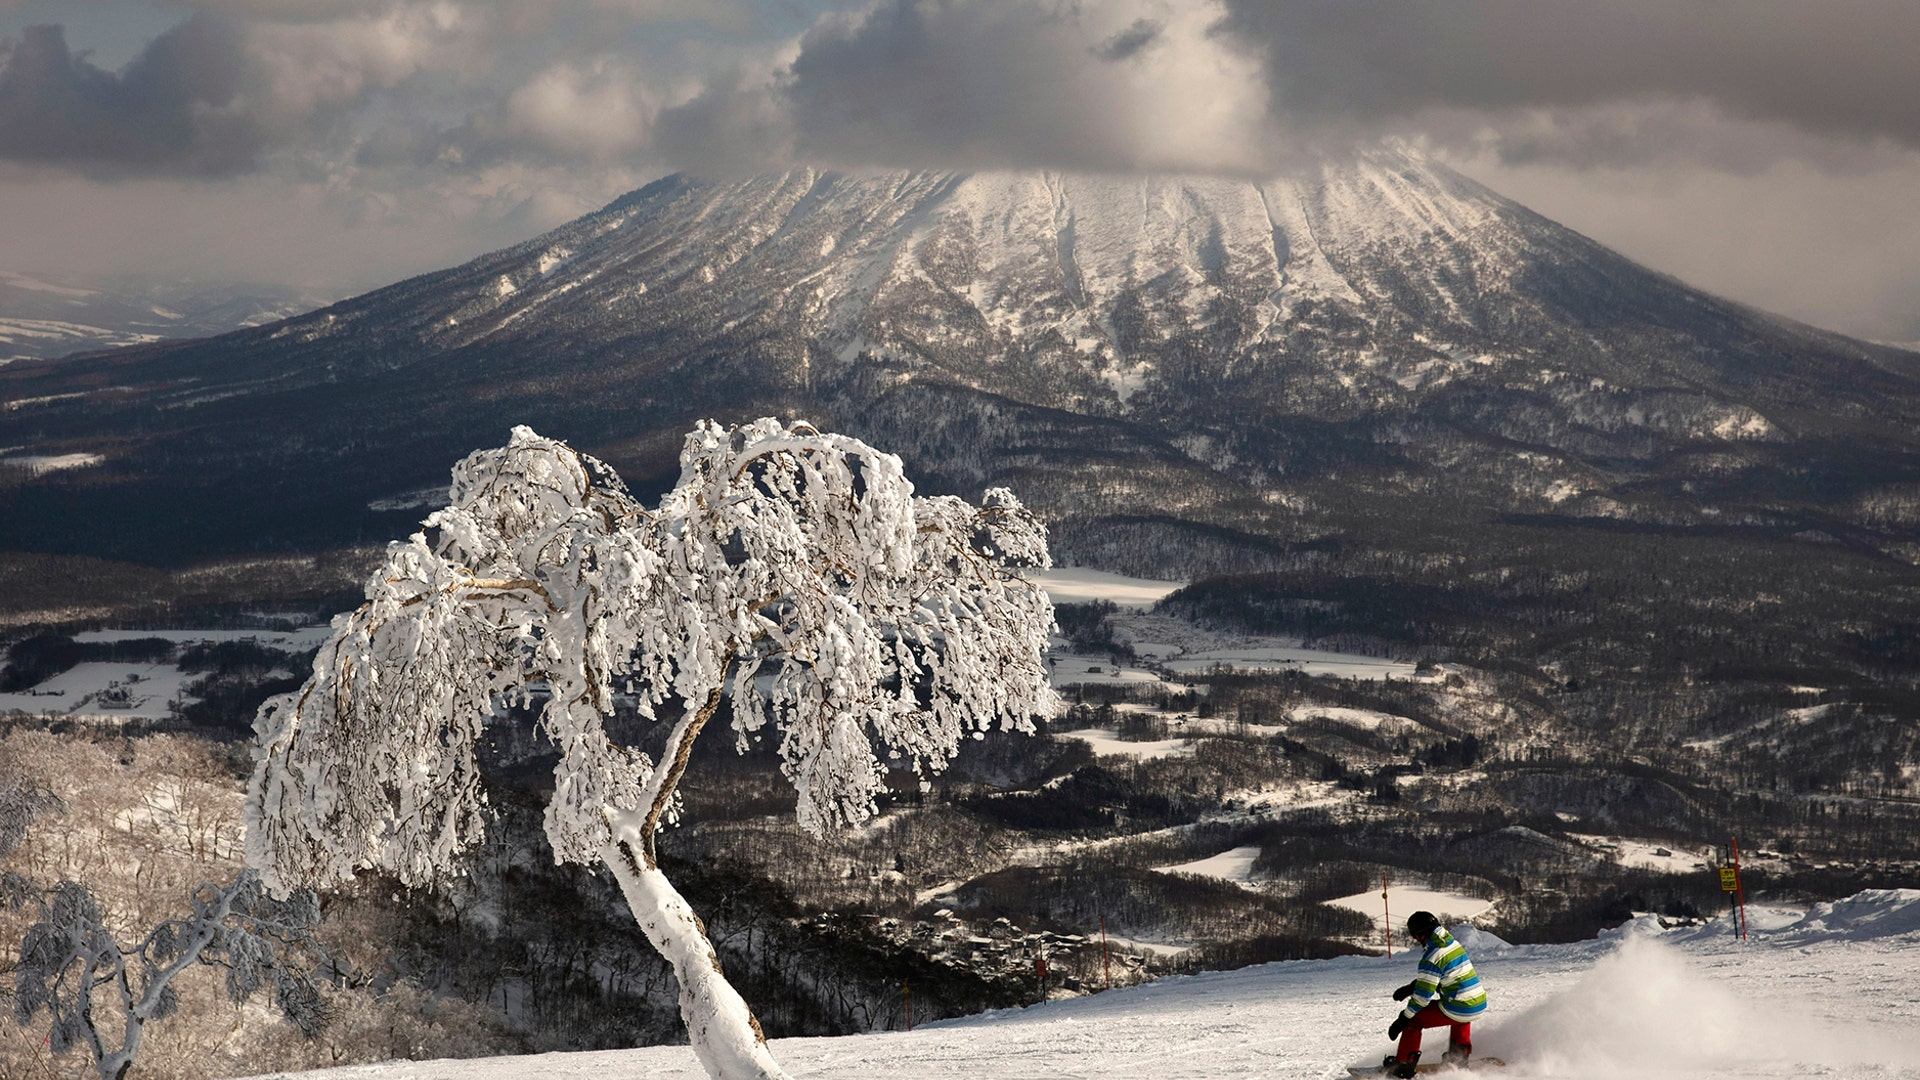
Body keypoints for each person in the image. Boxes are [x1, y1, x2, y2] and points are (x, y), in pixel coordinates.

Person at [1381, 910, 1486, 1077]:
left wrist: (1403, 1019)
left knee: (1414, 1020)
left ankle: (1403, 1066)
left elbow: (1422, 999)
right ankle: (1458, 1059)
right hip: (1477, 1003)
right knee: (1460, 1016)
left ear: (1419, 935)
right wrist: (1411, 987)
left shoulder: (1432, 956)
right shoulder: (1452, 944)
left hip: (1460, 1006)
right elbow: (1444, 976)